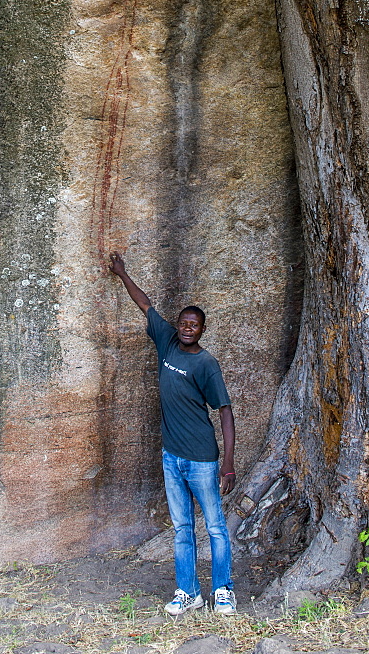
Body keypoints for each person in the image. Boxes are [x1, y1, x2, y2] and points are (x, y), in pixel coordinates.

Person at [109, 252, 237, 617]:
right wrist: (123, 273)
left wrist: (227, 465)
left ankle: (223, 590)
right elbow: (145, 304)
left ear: (202, 330)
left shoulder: (206, 364)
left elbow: (225, 412)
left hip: (201, 458)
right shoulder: (166, 343)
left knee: (214, 527)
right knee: (182, 527)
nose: (186, 327)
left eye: (194, 325)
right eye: (183, 322)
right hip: (171, 457)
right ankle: (188, 591)